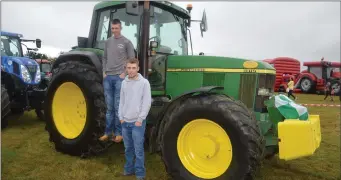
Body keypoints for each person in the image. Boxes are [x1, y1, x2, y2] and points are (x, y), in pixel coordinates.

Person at [99, 18, 135, 143]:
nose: (114, 30)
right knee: (109, 108)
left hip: (119, 78)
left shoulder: (126, 42)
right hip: (108, 78)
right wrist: (104, 71)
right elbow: (104, 58)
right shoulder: (108, 42)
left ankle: (119, 133)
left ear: (120, 28)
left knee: (118, 107)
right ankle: (107, 133)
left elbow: (132, 60)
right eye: (112, 28)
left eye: (116, 28)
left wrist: (124, 73)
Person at [118, 58, 152, 180]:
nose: (131, 70)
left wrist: (140, 119)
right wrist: (121, 117)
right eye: (129, 68)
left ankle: (140, 173)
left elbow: (147, 103)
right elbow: (121, 101)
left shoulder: (144, 83)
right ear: (126, 69)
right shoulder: (124, 83)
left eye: (133, 68)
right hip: (125, 122)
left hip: (137, 123)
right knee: (128, 149)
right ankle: (128, 169)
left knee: (138, 150)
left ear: (138, 68)